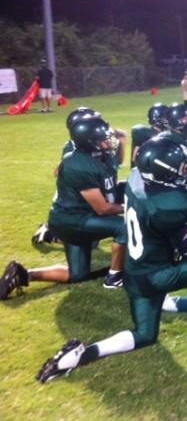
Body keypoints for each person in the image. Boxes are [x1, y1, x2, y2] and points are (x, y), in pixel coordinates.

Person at [35, 137, 187, 384]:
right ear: (164, 171)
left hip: (134, 275)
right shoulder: (171, 206)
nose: (186, 170)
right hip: (157, 275)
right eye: (181, 166)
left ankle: (80, 356)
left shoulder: (137, 177)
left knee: (145, 335)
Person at [1, 115, 127, 300]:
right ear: (90, 143)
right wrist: (129, 206)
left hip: (80, 217)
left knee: (78, 276)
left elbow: (116, 165)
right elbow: (102, 209)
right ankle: (115, 277)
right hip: (73, 221)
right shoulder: (78, 163)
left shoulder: (101, 156)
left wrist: (121, 141)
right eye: (103, 140)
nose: (109, 142)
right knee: (123, 227)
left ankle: (23, 274)